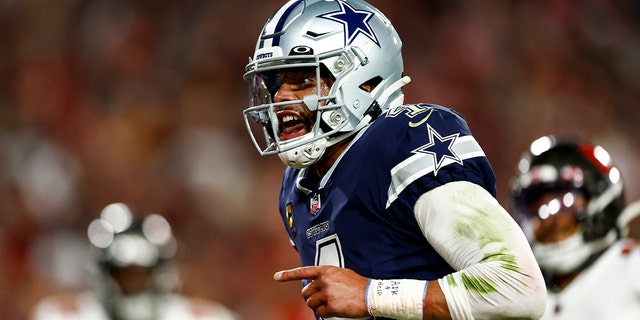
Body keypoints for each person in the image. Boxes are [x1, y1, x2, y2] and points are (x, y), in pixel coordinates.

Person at [241, 0, 547, 319]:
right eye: (274, 84)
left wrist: (372, 295)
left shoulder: (404, 139)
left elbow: (519, 286)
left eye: (302, 80)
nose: (279, 99)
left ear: (365, 81)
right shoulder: (297, 187)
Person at [31, 202, 240, 320]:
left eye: (141, 273)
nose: (133, 283)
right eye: (124, 274)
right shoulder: (66, 315)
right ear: (105, 273)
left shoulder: (203, 317)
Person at [509, 135, 640, 319]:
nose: (550, 221)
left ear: (600, 203)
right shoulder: (518, 293)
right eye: (536, 209)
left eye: (565, 204)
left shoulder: (631, 265)